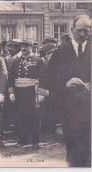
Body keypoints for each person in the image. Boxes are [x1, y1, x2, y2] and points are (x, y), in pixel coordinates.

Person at [45, 14, 91, 167]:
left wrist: (89, 86)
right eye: (79, 30)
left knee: (88, 149)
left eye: (87, 30)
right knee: (72, 149)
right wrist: (64, 84)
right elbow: (48, 81)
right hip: (68, 110)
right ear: (72, 30)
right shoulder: (60, 52)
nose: (83, 34)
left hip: (89, 110)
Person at [8, 39, 47, 150]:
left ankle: (35, 141)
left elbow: (44, 78)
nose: (24, 48)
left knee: (34, 117)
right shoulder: (16, 61)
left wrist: (41, 93)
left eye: (26, 46)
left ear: (32, 47)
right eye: (22, 46)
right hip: (19, 92)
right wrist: (11, 92)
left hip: (32, 92)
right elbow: (11, 78)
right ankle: (22, 140)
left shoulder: (38, 60)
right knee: (21, 116)